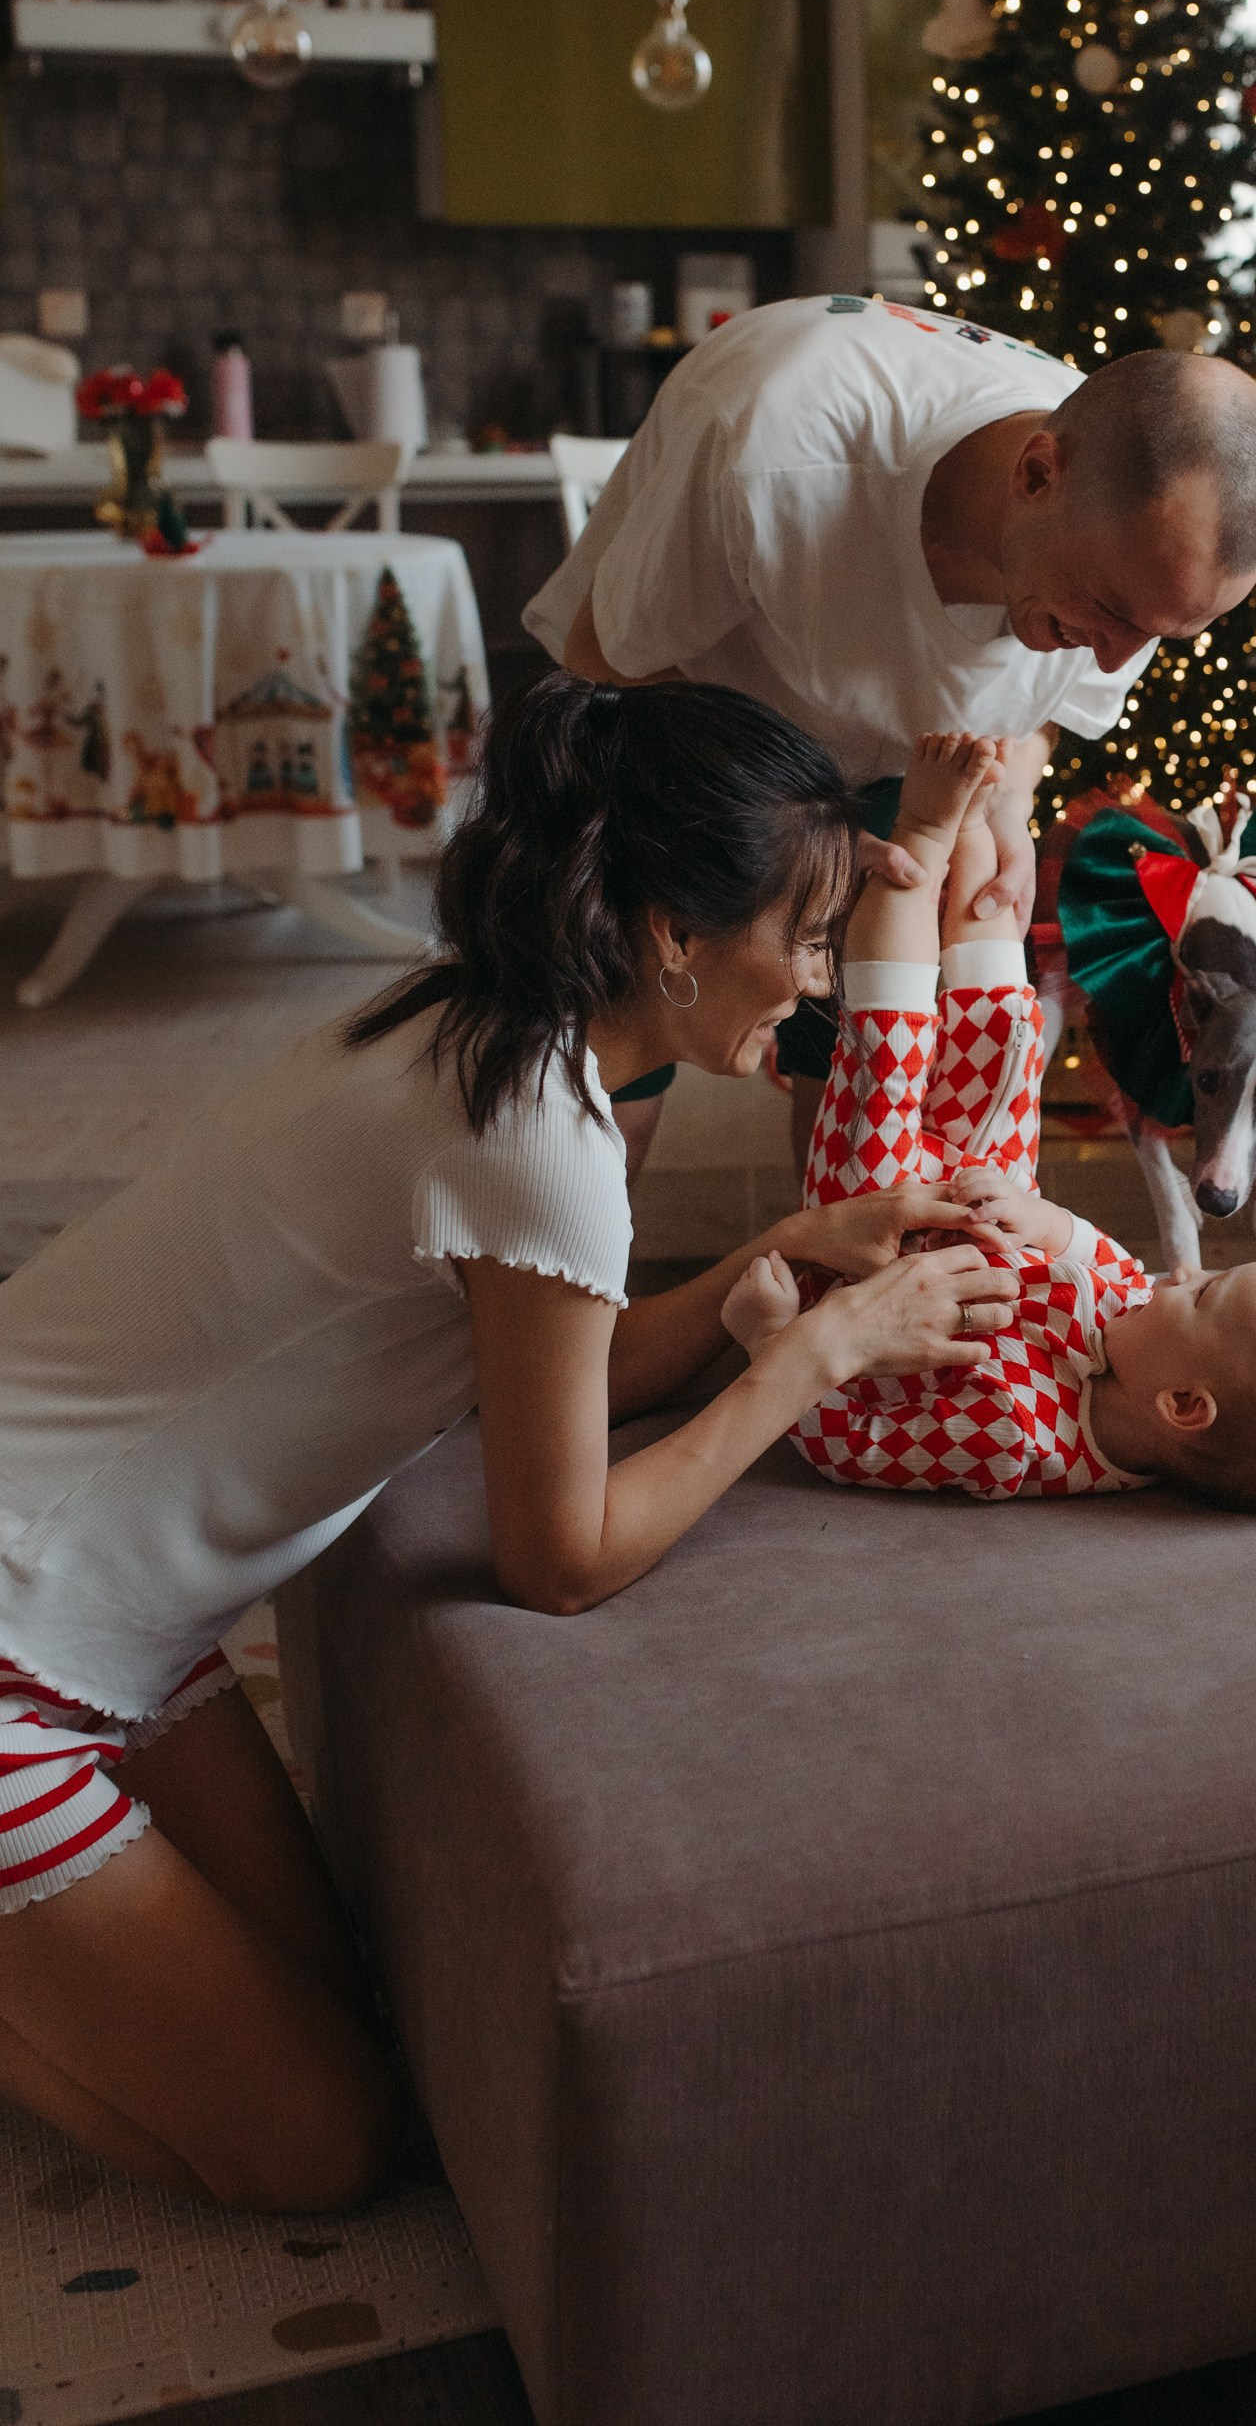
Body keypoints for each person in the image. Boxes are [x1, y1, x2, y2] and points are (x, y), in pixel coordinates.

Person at [0, 676, 1017, 2212]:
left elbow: (564, 1380)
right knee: (320, 2146)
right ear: (673, 932)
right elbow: (560, 1557)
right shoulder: (539, 1137)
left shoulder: (477, 1018)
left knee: (348, 2010)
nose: (813, 981)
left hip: (113, 1627)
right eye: (804, 937)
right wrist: (814, 1356)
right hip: (23, 1636)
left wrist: (795, 1244)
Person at [522, 294, 1256, 1157]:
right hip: (676, 733)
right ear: (1035, 476)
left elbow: (1048, 717)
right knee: (614, 1073)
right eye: (1108, 611)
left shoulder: (1140, 555)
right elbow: (604, 654)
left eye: (1157, 636)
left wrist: (1007, 798)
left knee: (871, 1079)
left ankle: (827, 1275)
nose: (1115, 663)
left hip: (902, 767)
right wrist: (796, 837)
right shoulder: (776, 451)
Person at [725, 732, 1256, 1518]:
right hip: (993, 1194)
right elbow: (1103, 1261)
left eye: (1202, 1294)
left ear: (1183, 1406)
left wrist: (772, 1343)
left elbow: (846, 1444)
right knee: (1007, 1035)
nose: (1179, 1272)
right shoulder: (1139, 1330)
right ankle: (988, 821)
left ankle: (920, 833)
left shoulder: (1015, 1441)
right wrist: (1039, 1220)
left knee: (890, 1049)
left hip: (880, 1242)